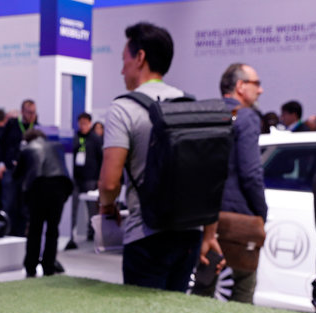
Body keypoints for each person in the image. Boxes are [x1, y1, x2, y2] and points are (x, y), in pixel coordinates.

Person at [98, 21, 221, 292]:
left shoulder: (123, 108)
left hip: (146, 234)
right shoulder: (191, 105)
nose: (122, 69)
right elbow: (208, 177)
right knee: (172, 312)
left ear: (140, 57)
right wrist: (209, 233)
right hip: (189, 233)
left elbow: (109, 183)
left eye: (124, 59)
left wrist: (107, 209)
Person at [198, 62, 267, 303]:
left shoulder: (207, 114)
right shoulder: (246, 117)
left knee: (203, 291)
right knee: (242, 292)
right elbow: (251, 173)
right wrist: (262, 213)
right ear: (240, 86)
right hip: (238, 219)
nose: (260, 90)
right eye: (256, 84)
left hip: (205, 215)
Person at [15, 128, 73, 277]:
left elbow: (17, 174)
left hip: (38, 189)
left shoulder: (27, 149)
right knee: (53, 230)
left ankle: (31, 267)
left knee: (35, 229)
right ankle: (48, 267)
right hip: (59, 188)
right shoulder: (57, 146)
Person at [0, 99, 38, 236]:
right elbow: (1, 144)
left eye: (33, 112)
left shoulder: (36, 127)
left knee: (24, 205)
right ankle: (7, 232)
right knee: (9, 203)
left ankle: (21, 234)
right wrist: (1, 163)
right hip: (11, 169)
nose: (31, 115)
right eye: (29, 112)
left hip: (28, 172)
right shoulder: (12, 124)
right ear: (22, 112)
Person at [69, 112, 103, 246]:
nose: (82, 126)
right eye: (80, 123)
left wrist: (100, 178)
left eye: (85, 123)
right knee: (73, 207)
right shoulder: (75, 138)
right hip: (76, 177)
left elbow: (101, 158)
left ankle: (92, 232)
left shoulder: (95, 139)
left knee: (92, 208)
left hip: (91, 178)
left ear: (89, 123)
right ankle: (70, 233)